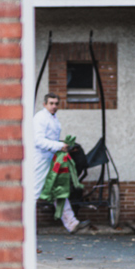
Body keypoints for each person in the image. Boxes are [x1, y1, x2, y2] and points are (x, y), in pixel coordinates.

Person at [33, 92, 87, 233]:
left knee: (58, 190)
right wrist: (58, 146)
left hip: (52, 159)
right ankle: (26, 227)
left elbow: (50, 139)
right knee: (34, 192)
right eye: (51, 103)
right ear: (45, 104)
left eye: (56, 104)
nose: (54, 106)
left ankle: (72, 223)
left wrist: (62, 145)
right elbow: (38, 141)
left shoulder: (53, 118)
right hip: (40, 159)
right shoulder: (40, 118)